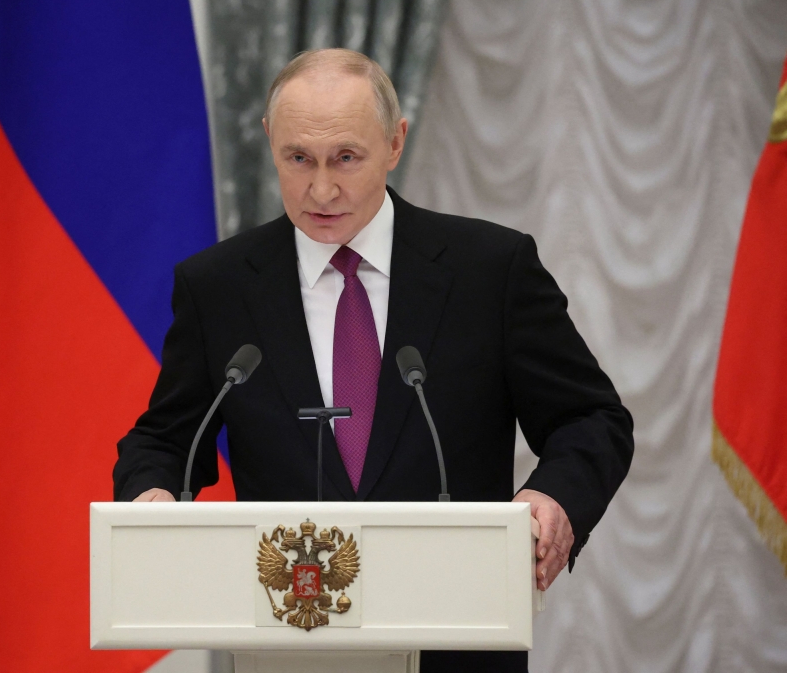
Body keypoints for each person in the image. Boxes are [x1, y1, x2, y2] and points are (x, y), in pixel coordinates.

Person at [113, 49, 634, 672]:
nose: (321, 188)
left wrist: (554, 498)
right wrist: (152, 494)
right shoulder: (219, 287)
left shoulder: (489, 271)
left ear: (395, 142)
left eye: (346, 159)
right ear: (269, 141)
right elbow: (165, 439)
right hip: (289, 645)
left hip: (455, 641)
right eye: (298, 158)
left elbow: (591, 418)